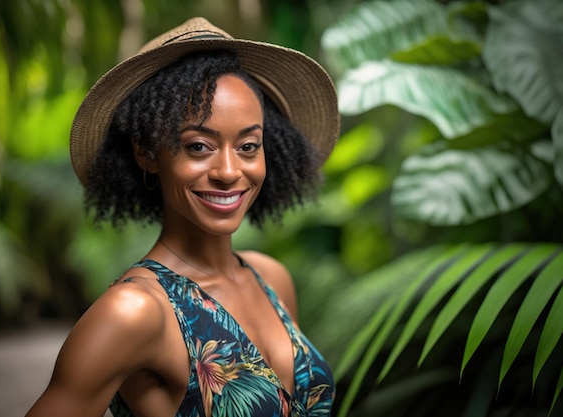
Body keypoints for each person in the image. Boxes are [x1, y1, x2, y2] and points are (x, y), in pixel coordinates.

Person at [26, 16, 340, 417]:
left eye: (248, 146)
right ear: (146, 153)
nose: (228, 172)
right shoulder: (136, 312)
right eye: (198, 146)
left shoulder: (272, 280)